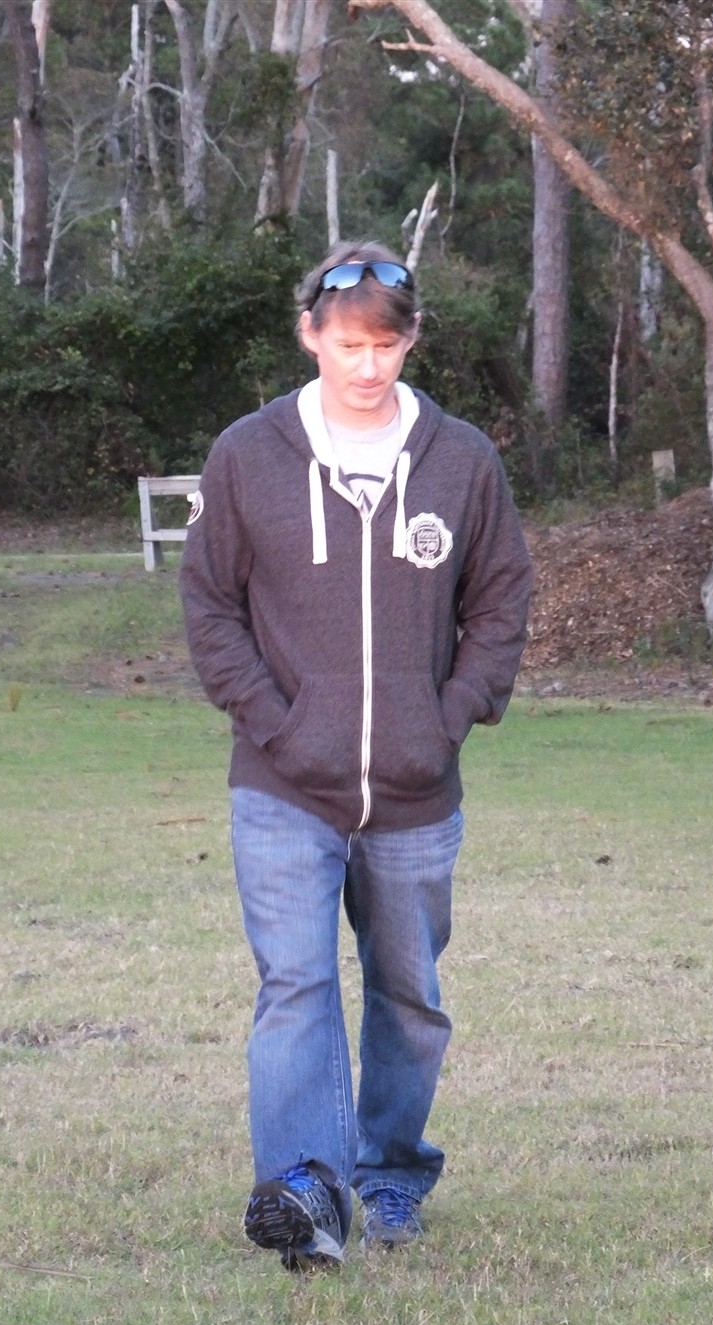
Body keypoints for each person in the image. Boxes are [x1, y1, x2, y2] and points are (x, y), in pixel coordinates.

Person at [179, 240, 532, 1272]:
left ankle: (389, 1176)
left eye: (385, 345)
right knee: (295, 985)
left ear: (410, 341)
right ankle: (306, 1191)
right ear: (310, 336)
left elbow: (500, 599)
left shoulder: (462, 460)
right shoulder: (248, 455)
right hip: (282, 783)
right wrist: (277, 722)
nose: (367, 365)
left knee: (408, 998)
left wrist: (449, 715)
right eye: (347, 345)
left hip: (416, 792)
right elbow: (209, 606)